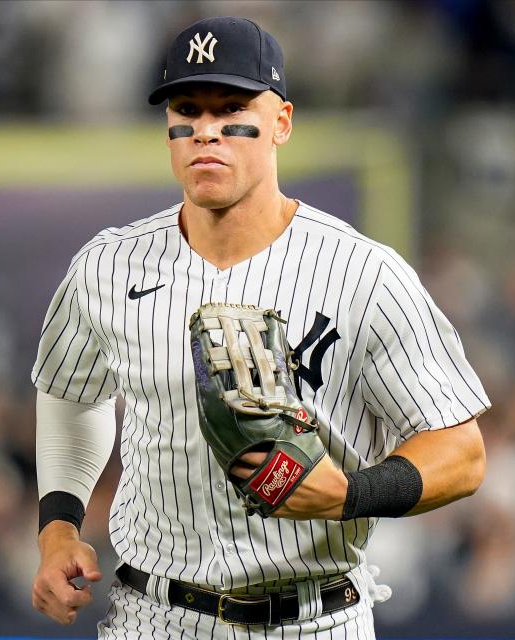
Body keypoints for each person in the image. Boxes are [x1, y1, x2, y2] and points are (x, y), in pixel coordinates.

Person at [31, 16, 490, 639]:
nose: (206, 132)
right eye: (187, 109)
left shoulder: (364, 273)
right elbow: (70, 392)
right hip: (153, 615)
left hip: (314, 616)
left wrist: (347, 494)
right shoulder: (108, 267)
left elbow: (460, 453)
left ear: (282, 122)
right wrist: (59, 527)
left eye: (232, 108)